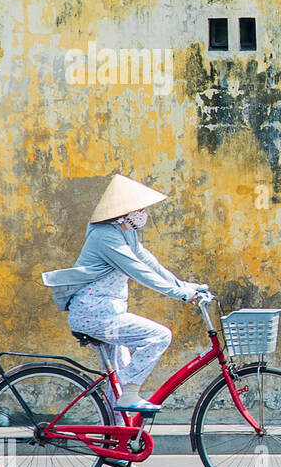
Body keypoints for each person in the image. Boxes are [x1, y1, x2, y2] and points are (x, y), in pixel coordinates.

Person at [41, 175, 208, 413]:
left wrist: (184, 286)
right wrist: (179, 294)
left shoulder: (125, 232)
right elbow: (138, 271)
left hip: (107, 314)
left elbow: (149, 263)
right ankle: (129, 394)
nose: (143, 213)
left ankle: (109, 440)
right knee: (159, 336)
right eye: (139, 208)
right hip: (95, 314)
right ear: (125, 210)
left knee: (117, 385)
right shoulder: (105, 235)